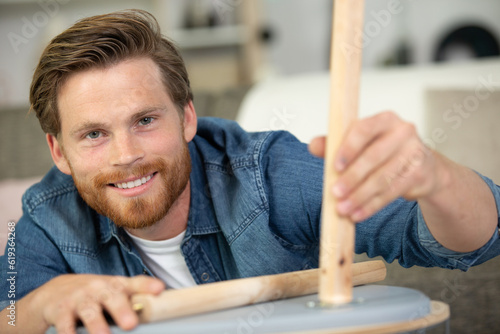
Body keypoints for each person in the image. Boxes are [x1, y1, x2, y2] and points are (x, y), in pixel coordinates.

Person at [1, 9, 500, 334]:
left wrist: (435, 177)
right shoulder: (46, 219)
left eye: (146, 120)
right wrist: (43, 302)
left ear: (187, 117)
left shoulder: (269, 176)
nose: (125, 154)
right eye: (93, 134)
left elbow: (476, 239)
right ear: (59, 152)